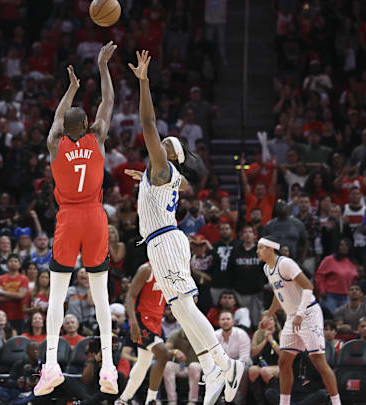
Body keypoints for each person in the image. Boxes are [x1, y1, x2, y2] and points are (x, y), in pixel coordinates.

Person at [125, 50, 242, 405]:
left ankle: (225, 361)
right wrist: (145, 185)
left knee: (186, 308)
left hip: (165, 242)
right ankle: (210, 364)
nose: (155, 146)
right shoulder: (165, 175)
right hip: (163, 242)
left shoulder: (162, 168)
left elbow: (147, 123)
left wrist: (143, 82)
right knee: (179, 309)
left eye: (162, 147)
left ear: (167, 154)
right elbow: (185, 185)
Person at [36, 42, 118, 397]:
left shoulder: (55, 142)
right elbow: (109, 103)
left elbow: (58, 119)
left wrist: (70, 88)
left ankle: (51, 365)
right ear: (86, 124)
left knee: (57, 295)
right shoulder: (97, 138)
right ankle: (111, 368)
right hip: (95, 218)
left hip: (68, 218)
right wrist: (102, 67)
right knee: (101, 298)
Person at [257, 236, 342, 405]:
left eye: (260, 248)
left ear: (271, 249)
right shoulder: (268, 268)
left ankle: (336, 402)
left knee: (318, 361)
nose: (257, 252)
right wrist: (268, 314)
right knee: (284, 361)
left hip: (308, 313)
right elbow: (278, 294)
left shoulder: (286, 264)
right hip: (292, 317)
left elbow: (308, 287)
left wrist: (300, 314)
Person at [116, 262, 168, 405]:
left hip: (157, 321)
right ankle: (151, 400)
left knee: (143, 363)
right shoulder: (147, 269)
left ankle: (123, 400)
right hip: (143, 319)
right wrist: (133, 323)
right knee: (163, 354)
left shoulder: (170, 270)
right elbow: (130, 296)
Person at [315, 239, 358, 314]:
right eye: (341, 245)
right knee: (331, 318)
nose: (344, 247)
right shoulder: (329, 260)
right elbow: (319, 276)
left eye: (346, 245)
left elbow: (354, 280)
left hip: (346, 296)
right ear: (337, 247)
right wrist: (322, 291)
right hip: (330, 296)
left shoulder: (352, 262)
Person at [0, 254, 28, 334]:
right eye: (11, 261)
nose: (13, 263)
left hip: (19, 316)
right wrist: (16, 296)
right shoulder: (0, 278)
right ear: (7, 264)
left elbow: (21, 296)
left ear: (20, 264)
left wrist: (3, 292)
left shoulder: (24, 279)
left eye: (16, 261)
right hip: (3, 317)